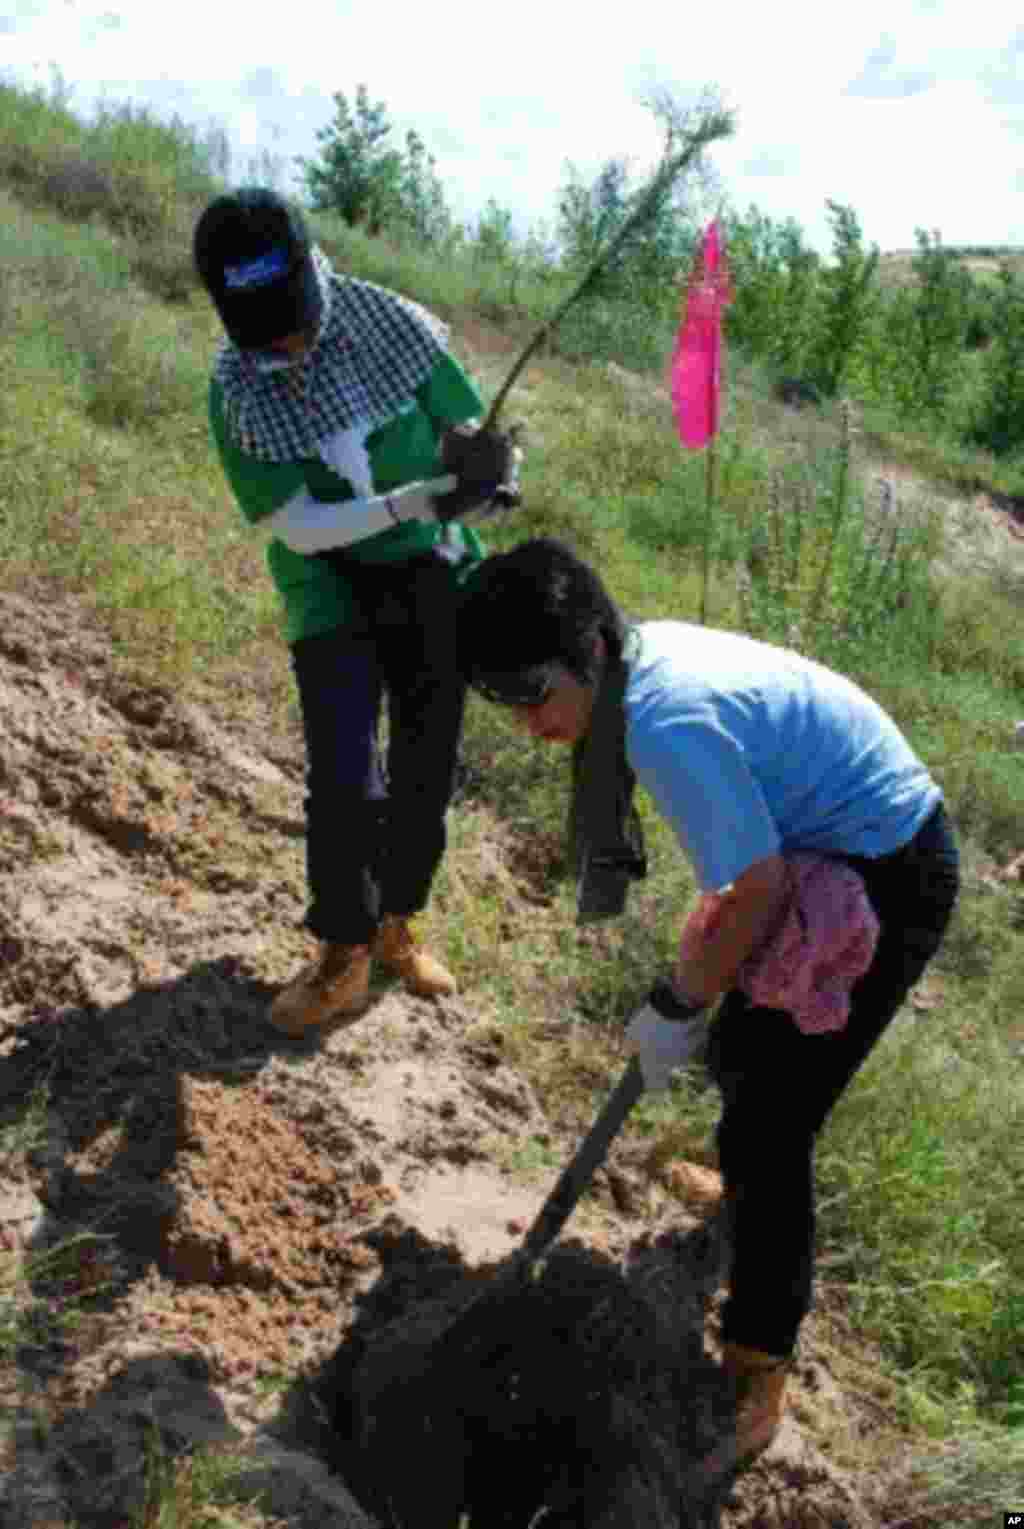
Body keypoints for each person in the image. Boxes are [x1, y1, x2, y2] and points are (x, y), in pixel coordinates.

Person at [456, 536, 959, 1473]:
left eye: (533, 695)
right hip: (829, 850)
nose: (528, 724)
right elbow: (748, 880)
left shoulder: (661, 723)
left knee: (775, 1121)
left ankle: (759, 1363)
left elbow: (759, 887)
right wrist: (697, 999)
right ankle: (736, 1203)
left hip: (888, 874)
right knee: (741, 1057)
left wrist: (680, 999)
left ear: (590, 652)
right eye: (504, 702)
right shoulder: (635, 668)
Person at [193, 188, 518, 1036]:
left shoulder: (394, 324)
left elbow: (471, 425)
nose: (289, 346)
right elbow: (299, 525)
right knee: (344, 774)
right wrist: (409, 501)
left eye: (294, 321)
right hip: (327, 575)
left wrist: (488, 475)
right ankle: (340, 951)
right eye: (265, 333)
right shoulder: (235, 394)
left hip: (428, 567)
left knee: (427, 759)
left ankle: (395, 925)